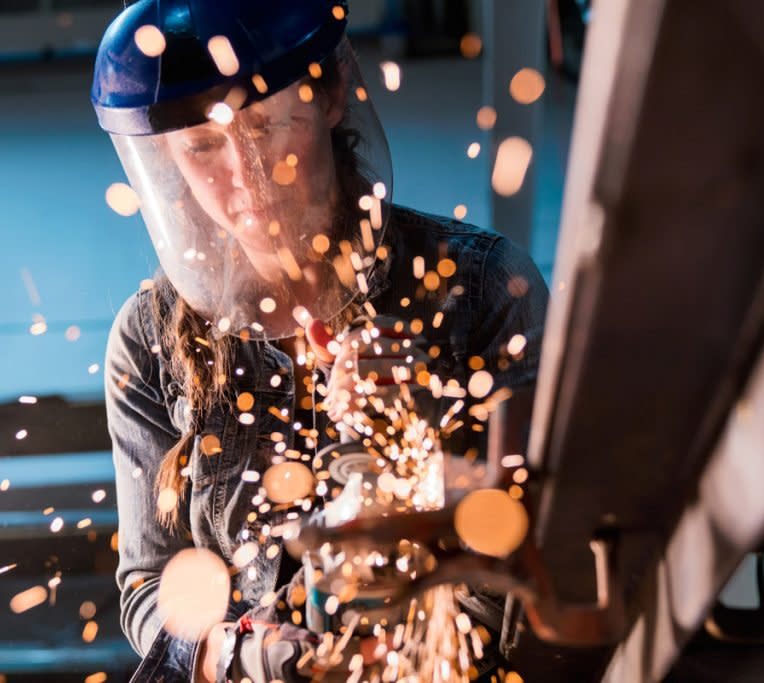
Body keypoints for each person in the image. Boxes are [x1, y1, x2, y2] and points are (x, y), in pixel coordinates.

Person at [92, 1, 549, 680]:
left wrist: (424, 450)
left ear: (332, 93)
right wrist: (231, 651)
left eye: (267, 123)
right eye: (204, 147)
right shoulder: (150, 340)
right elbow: (150, 586)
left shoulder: (481, 288)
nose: (245, 174)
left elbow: (549, 545)